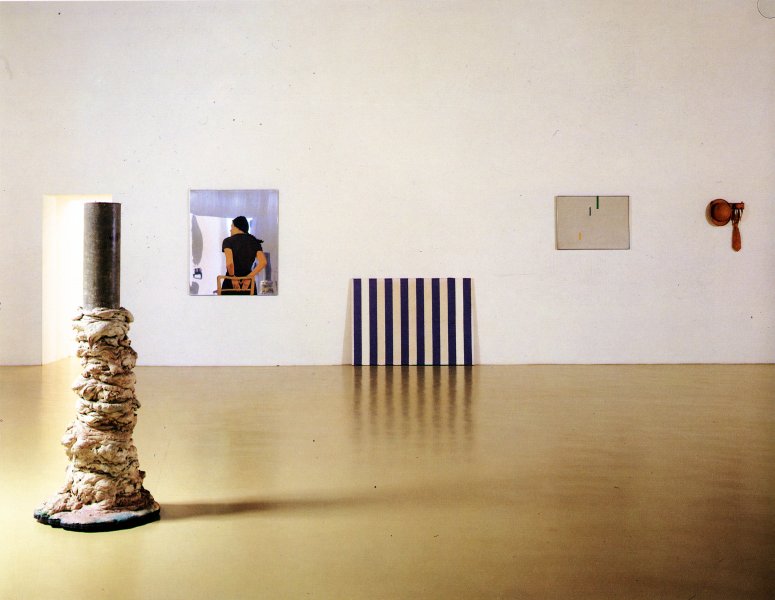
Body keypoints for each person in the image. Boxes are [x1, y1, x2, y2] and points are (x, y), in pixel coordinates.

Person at [220, 216, 267, 295]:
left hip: (230, 282)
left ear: (237, 227)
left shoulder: (228, 241)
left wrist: (233, 278)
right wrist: (249, 277)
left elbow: (230, 264)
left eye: (232, 227)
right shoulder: (254, 242)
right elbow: (263, 262)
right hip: (248, 283)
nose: (230, 230)